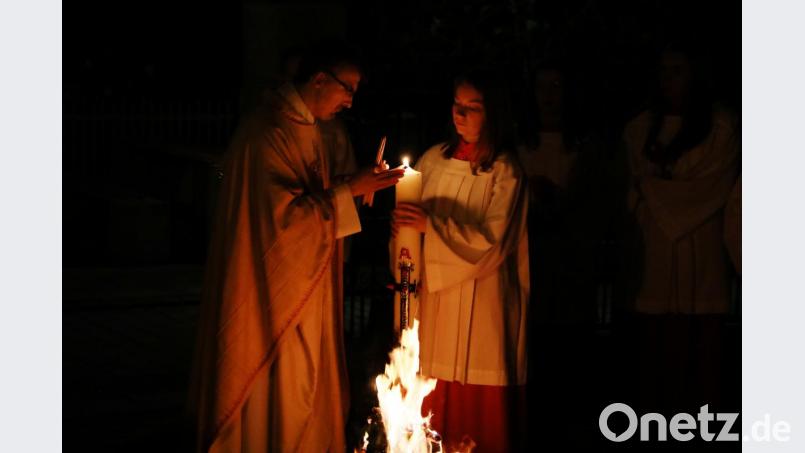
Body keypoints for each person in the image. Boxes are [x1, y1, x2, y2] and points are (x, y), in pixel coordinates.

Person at [188, 42, 404, 453]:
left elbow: (311, 199)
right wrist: (348, 191)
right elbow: (279, 223)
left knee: (306, 387)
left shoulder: (309, 128)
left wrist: (353, 186)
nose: (350, 100)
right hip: (271, 292)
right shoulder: (266, 134)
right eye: (347, 88)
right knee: (281, 392)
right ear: (319, 79)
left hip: (307, 284)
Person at [391, 69, 529, 452]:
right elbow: (409, 231)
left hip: (483, 307)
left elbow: (492, 242)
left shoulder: (505, 171)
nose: (460, 113)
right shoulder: (433, 160)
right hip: (435, 308)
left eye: (473, 107)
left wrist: (430, 227)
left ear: (494, 113)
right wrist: (405, 239)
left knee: (478, 420)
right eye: (457, 104)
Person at [622, 40, 739, 414]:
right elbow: (633, 190)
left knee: (701, 369)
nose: (668, 80)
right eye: (663, 71)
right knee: (656, 367)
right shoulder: (639, 129)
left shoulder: (720, 128)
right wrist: (655, 191)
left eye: (678, 71)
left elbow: (711, 189)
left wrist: (653, 188)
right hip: (655, 260)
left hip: (703, 260)